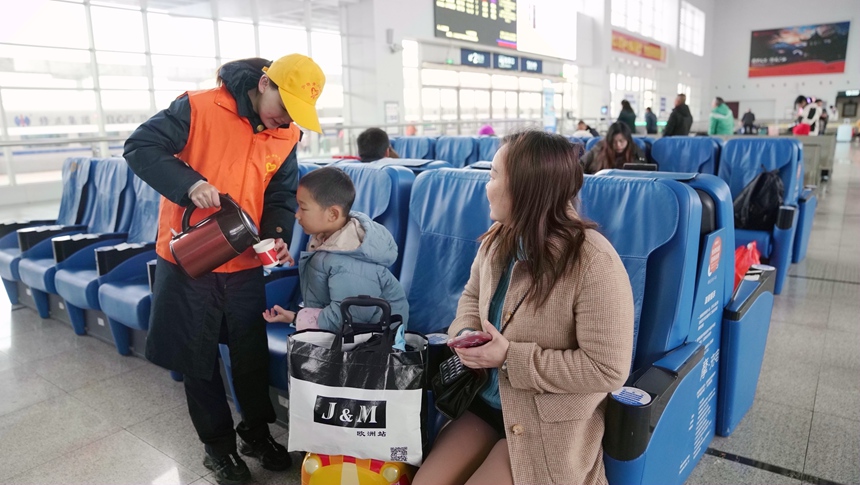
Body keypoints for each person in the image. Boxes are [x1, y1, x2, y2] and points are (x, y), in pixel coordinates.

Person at [124, 54, 325, 484]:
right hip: (191, 258)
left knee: (249, 355)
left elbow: (281, 192)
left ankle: (255, 433)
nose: (285, 120)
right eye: (284, 107)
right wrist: (190, 184)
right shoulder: (198, 107)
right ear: (264, 83)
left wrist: (275, 233)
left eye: (295, 114)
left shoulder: (286, 134)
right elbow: (140, 146)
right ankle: (217, 448)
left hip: (244, 261)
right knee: (198, 359)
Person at [413, 130, 634, 485]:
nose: (486, 186)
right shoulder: (498, 240)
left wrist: (509, 358)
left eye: (494, 176)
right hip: (487, 402)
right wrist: (467, 333)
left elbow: (607, 369)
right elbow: (471, 299)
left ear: (526, 187)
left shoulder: (594, 262)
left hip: (548, 420)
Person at [262, 167, 409, 342]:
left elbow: (351, 317)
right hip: (345, 340)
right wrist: (295, 317)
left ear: (333, 214)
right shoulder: (328, 241)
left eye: (303, 208)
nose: (297, 215)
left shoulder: (349, 261)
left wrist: (299, 318)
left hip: (371, 349)